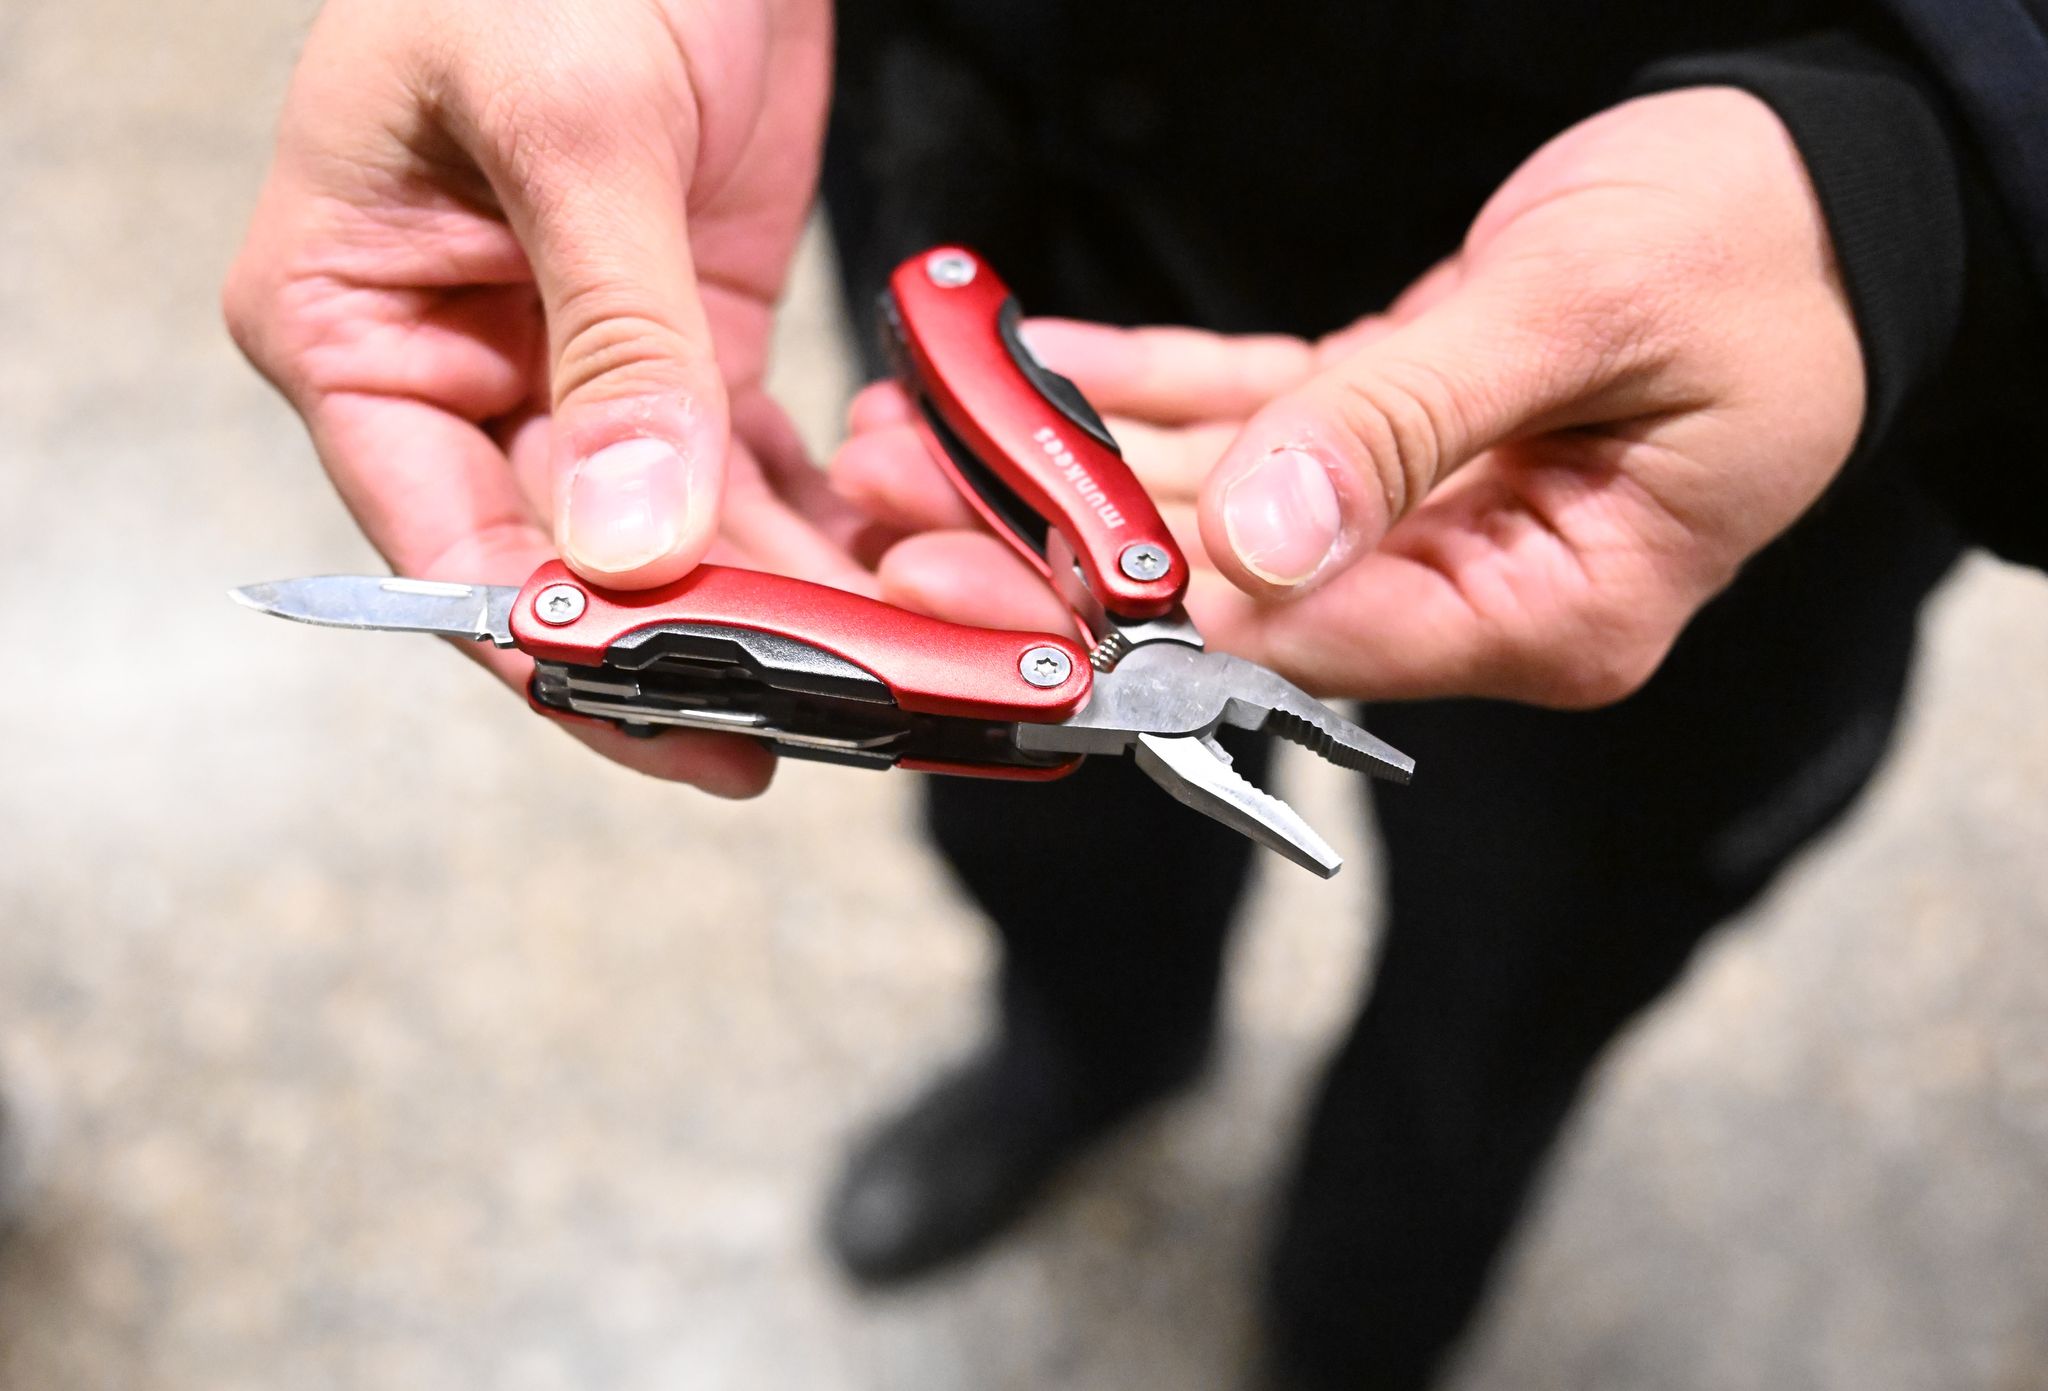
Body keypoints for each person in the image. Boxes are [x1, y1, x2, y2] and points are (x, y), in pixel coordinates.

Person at [223, 2, 2048, 1385]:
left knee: (1523, 972)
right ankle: (1092, 1055)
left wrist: (1921, 170)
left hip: (1730, 373)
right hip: (1008, 189)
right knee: (1049, 817)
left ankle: (1355, 1330)